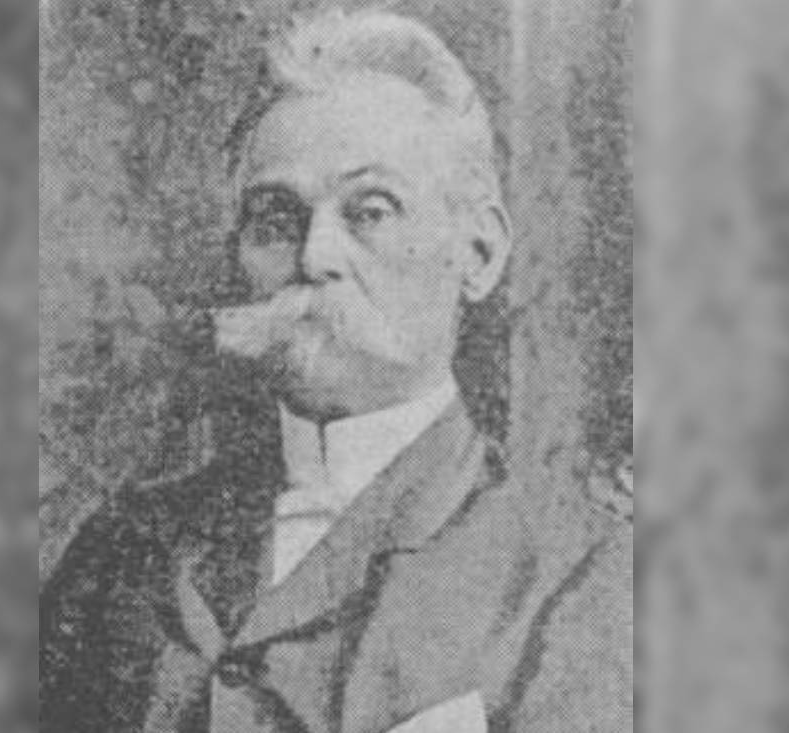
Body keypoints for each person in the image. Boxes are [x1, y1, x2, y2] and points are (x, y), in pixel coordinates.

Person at [40, 10, 631, 733]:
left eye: (370, 211)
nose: (315, 255)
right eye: (276, 219)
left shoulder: (585, 576)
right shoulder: (120, 550)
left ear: (478, 253)